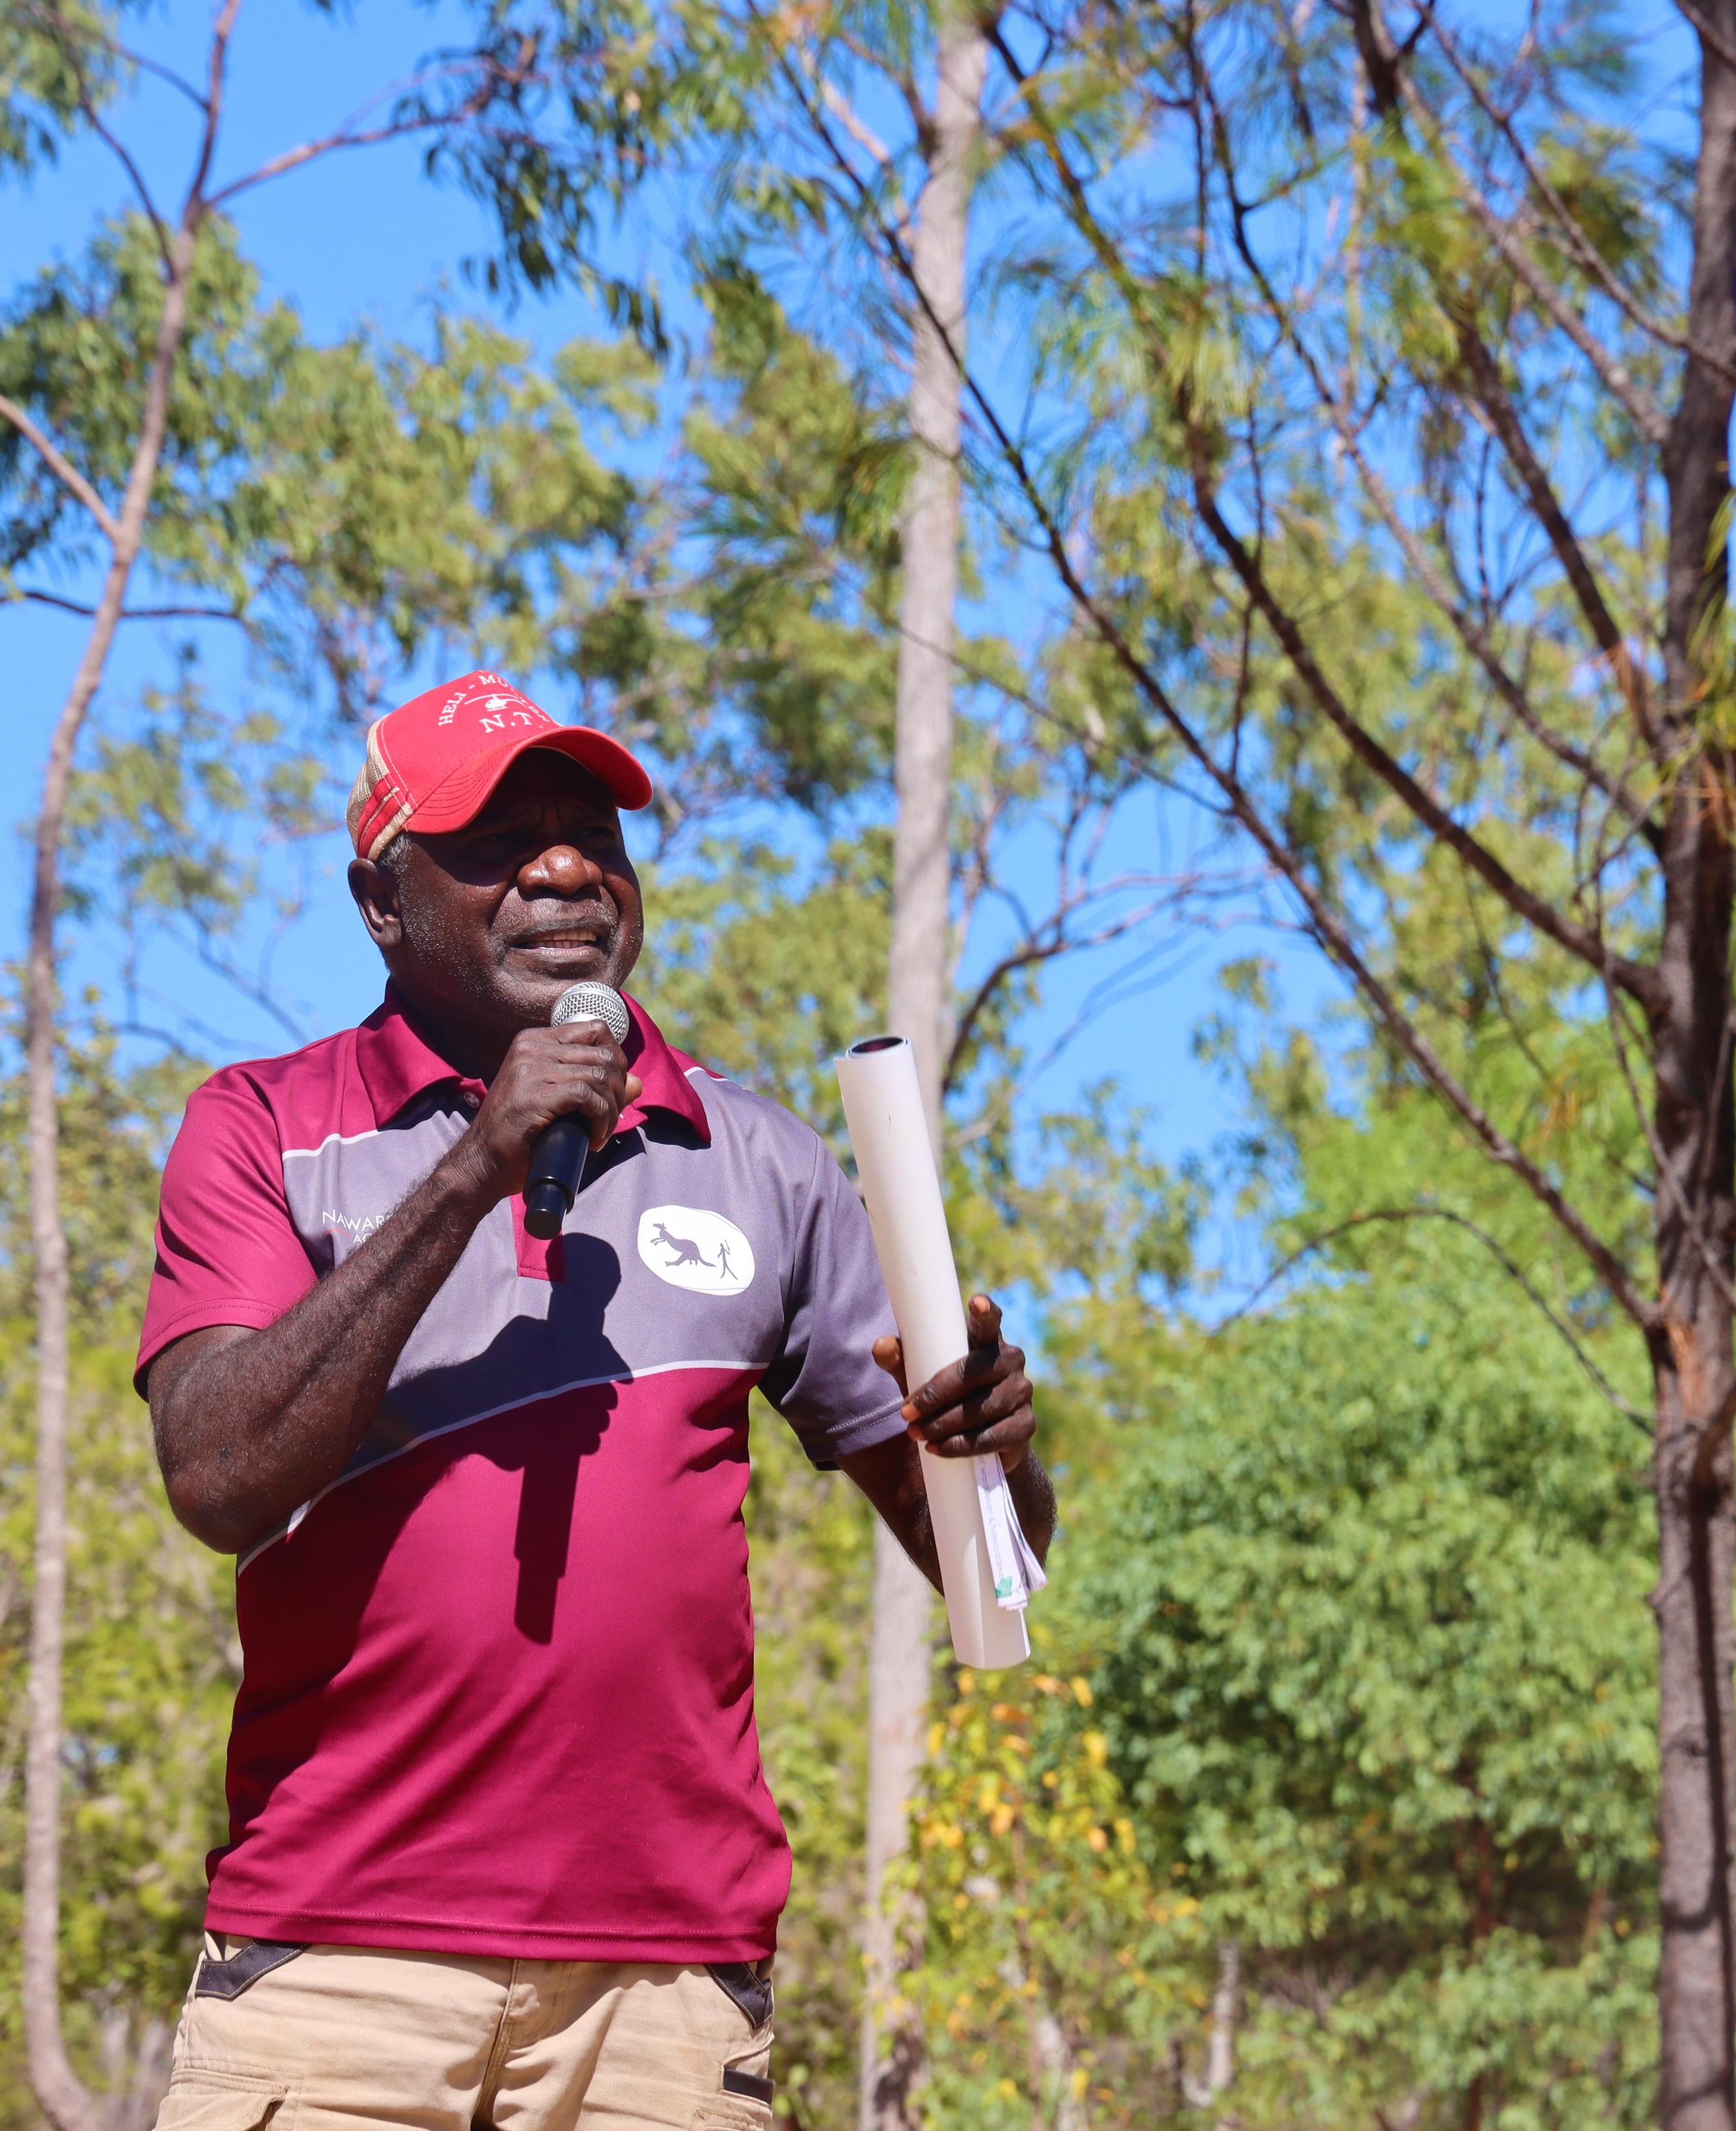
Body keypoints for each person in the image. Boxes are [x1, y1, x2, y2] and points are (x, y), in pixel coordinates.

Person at [134, 669, 1057, 2131]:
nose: (564, 867)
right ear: (382, 904)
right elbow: (216, 1473)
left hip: (664, 1996)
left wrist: (991, 1444)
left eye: (590, 834)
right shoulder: (264, 1126)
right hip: (341, 1961)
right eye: (498, 837)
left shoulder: (757, 1154)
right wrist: (475, 1166)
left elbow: (990, 1567)